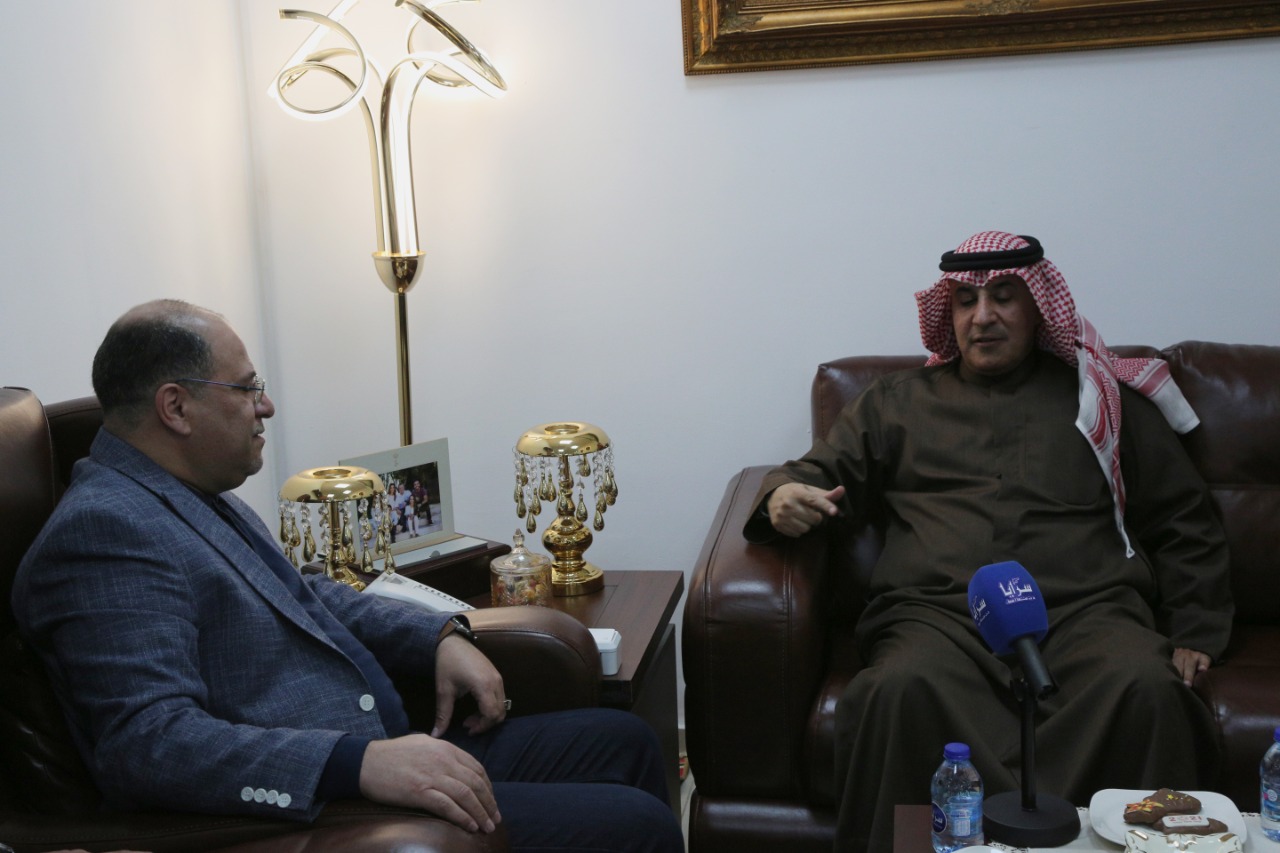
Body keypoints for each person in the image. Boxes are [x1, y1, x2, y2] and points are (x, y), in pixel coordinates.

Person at [12, 299, 682, 853]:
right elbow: (149, 745)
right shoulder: (104, 533)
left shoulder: (186, 490)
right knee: (635, 824)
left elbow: (303, 595)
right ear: (176, 408)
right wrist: (356, 764)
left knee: (624, 741)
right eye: (247, 388)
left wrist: (438, 636)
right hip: (327, 800)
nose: (266, 407)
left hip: (383, 747)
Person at [744, 232, 1233, 851]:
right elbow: (817, 472)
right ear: (947, 314)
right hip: (938, 615)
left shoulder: (1099, 399)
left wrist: (1194, 626)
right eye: (966, 301)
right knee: (896, 691)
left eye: (1004, 297)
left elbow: (1182, 515)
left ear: (1038, 308)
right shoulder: (896, 403)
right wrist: (783, 495)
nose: (983, 316)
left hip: (1087, 612)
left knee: (1149, 689)